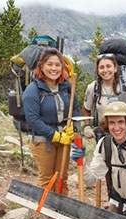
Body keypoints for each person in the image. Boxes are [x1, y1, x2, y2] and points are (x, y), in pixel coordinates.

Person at [23, 47, 78, 197]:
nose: (54, 68)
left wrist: (72, 125)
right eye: (49, 64)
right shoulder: (32, 90)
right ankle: (47, 214)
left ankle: (62, 210)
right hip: (42, 140)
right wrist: (55, 135)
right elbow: (33, 120)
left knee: (62, 177)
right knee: (48, 179)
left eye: (57, 65)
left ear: (62, 66)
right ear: (41, 66)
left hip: (64, 139)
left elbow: (75, 109)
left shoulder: (66, 87)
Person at [82, 53, 126, 139]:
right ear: (98, 71)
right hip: (101, 135)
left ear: (115, 68)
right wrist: (87, 126)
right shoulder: (93, 88)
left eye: (108, 66)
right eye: (101, 67)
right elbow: (86, 109)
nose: (105, 70)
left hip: (123, 134)